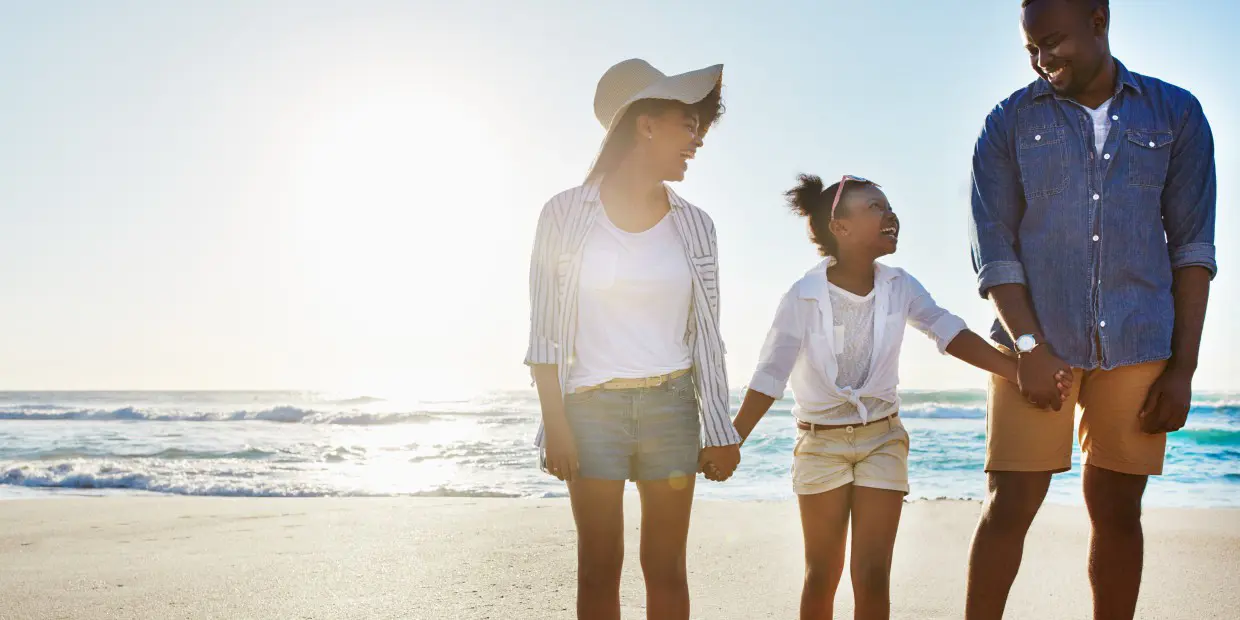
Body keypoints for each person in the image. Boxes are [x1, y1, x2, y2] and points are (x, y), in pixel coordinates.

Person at [965, 1, 1217, 619]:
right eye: (1032, 49)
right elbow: (994, 252)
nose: (1043, 59)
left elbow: (1192, 250)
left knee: (1117, 509)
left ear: (1099, 22)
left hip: (1137, 342)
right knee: (1011, 502)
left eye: (1054, 42)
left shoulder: (1177, 113)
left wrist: (1183, 369)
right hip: (1032, 342)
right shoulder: (1007, 123)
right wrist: (1028, 347)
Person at [731, 174, 1069, 620]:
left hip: (882, 440)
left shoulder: (899, 285)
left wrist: (1018, 371)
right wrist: (732, 438)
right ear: (841, 227)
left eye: (890, 207)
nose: (890, 215)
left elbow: (947, 330)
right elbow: (770, 374)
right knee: (822, 575)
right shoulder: (802, 295)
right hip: (819, 446)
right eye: (874, 207)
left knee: (872, 575)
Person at [523, 58, 743, 620]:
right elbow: (545, 331)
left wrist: (721, 428)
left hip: (672, 408)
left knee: (667, 567)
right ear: (645, 126)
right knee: (599, 565)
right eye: (686, 126)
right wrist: (557, 425)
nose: (695, 141)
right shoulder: (564, 214)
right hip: (590, 410)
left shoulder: (697, 225)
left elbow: (707, 338)